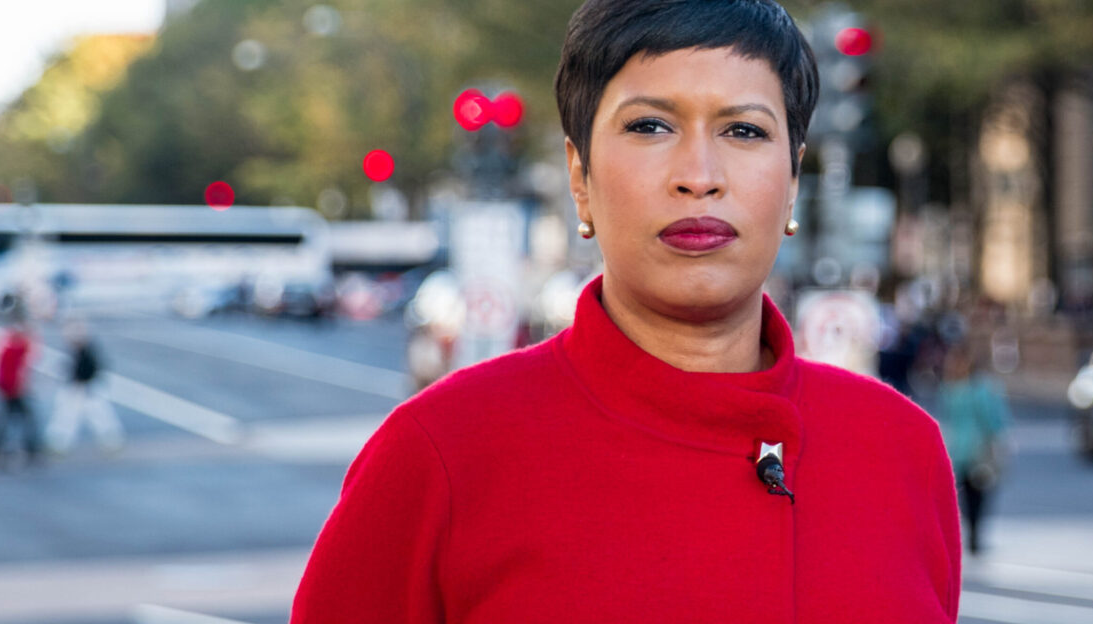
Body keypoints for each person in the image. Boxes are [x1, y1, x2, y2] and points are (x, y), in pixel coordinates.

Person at [293, 1, 961, 621]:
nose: (699, 174)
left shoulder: (901, 450)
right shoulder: (440, 452)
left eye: (744, 130)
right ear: (579, 176)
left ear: (793, 180)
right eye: (650, 126)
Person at [936, 340, 1011, 555]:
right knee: (979, 494)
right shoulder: (982, 388)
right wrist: (999, 440)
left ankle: (968, 534)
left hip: (956, 448)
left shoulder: (950, 387)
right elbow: (993, 419)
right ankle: (975, 536)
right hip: (978, 447)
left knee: (962, 496)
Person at [45, 320, 124, 454]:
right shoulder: (79, 351)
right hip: (79, 389)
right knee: (67, 417)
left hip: (86, 389)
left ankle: (111, 443)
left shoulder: (87, 352)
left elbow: (90, 370)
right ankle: (59, 444)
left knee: (98, 417)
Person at [0, 308, 43, 467]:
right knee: (15, 419)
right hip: (12, 388)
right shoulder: (14, 346)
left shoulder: (9, 344)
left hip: (11, 388)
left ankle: (0, 447)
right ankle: (27, 447)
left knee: (9, 419)